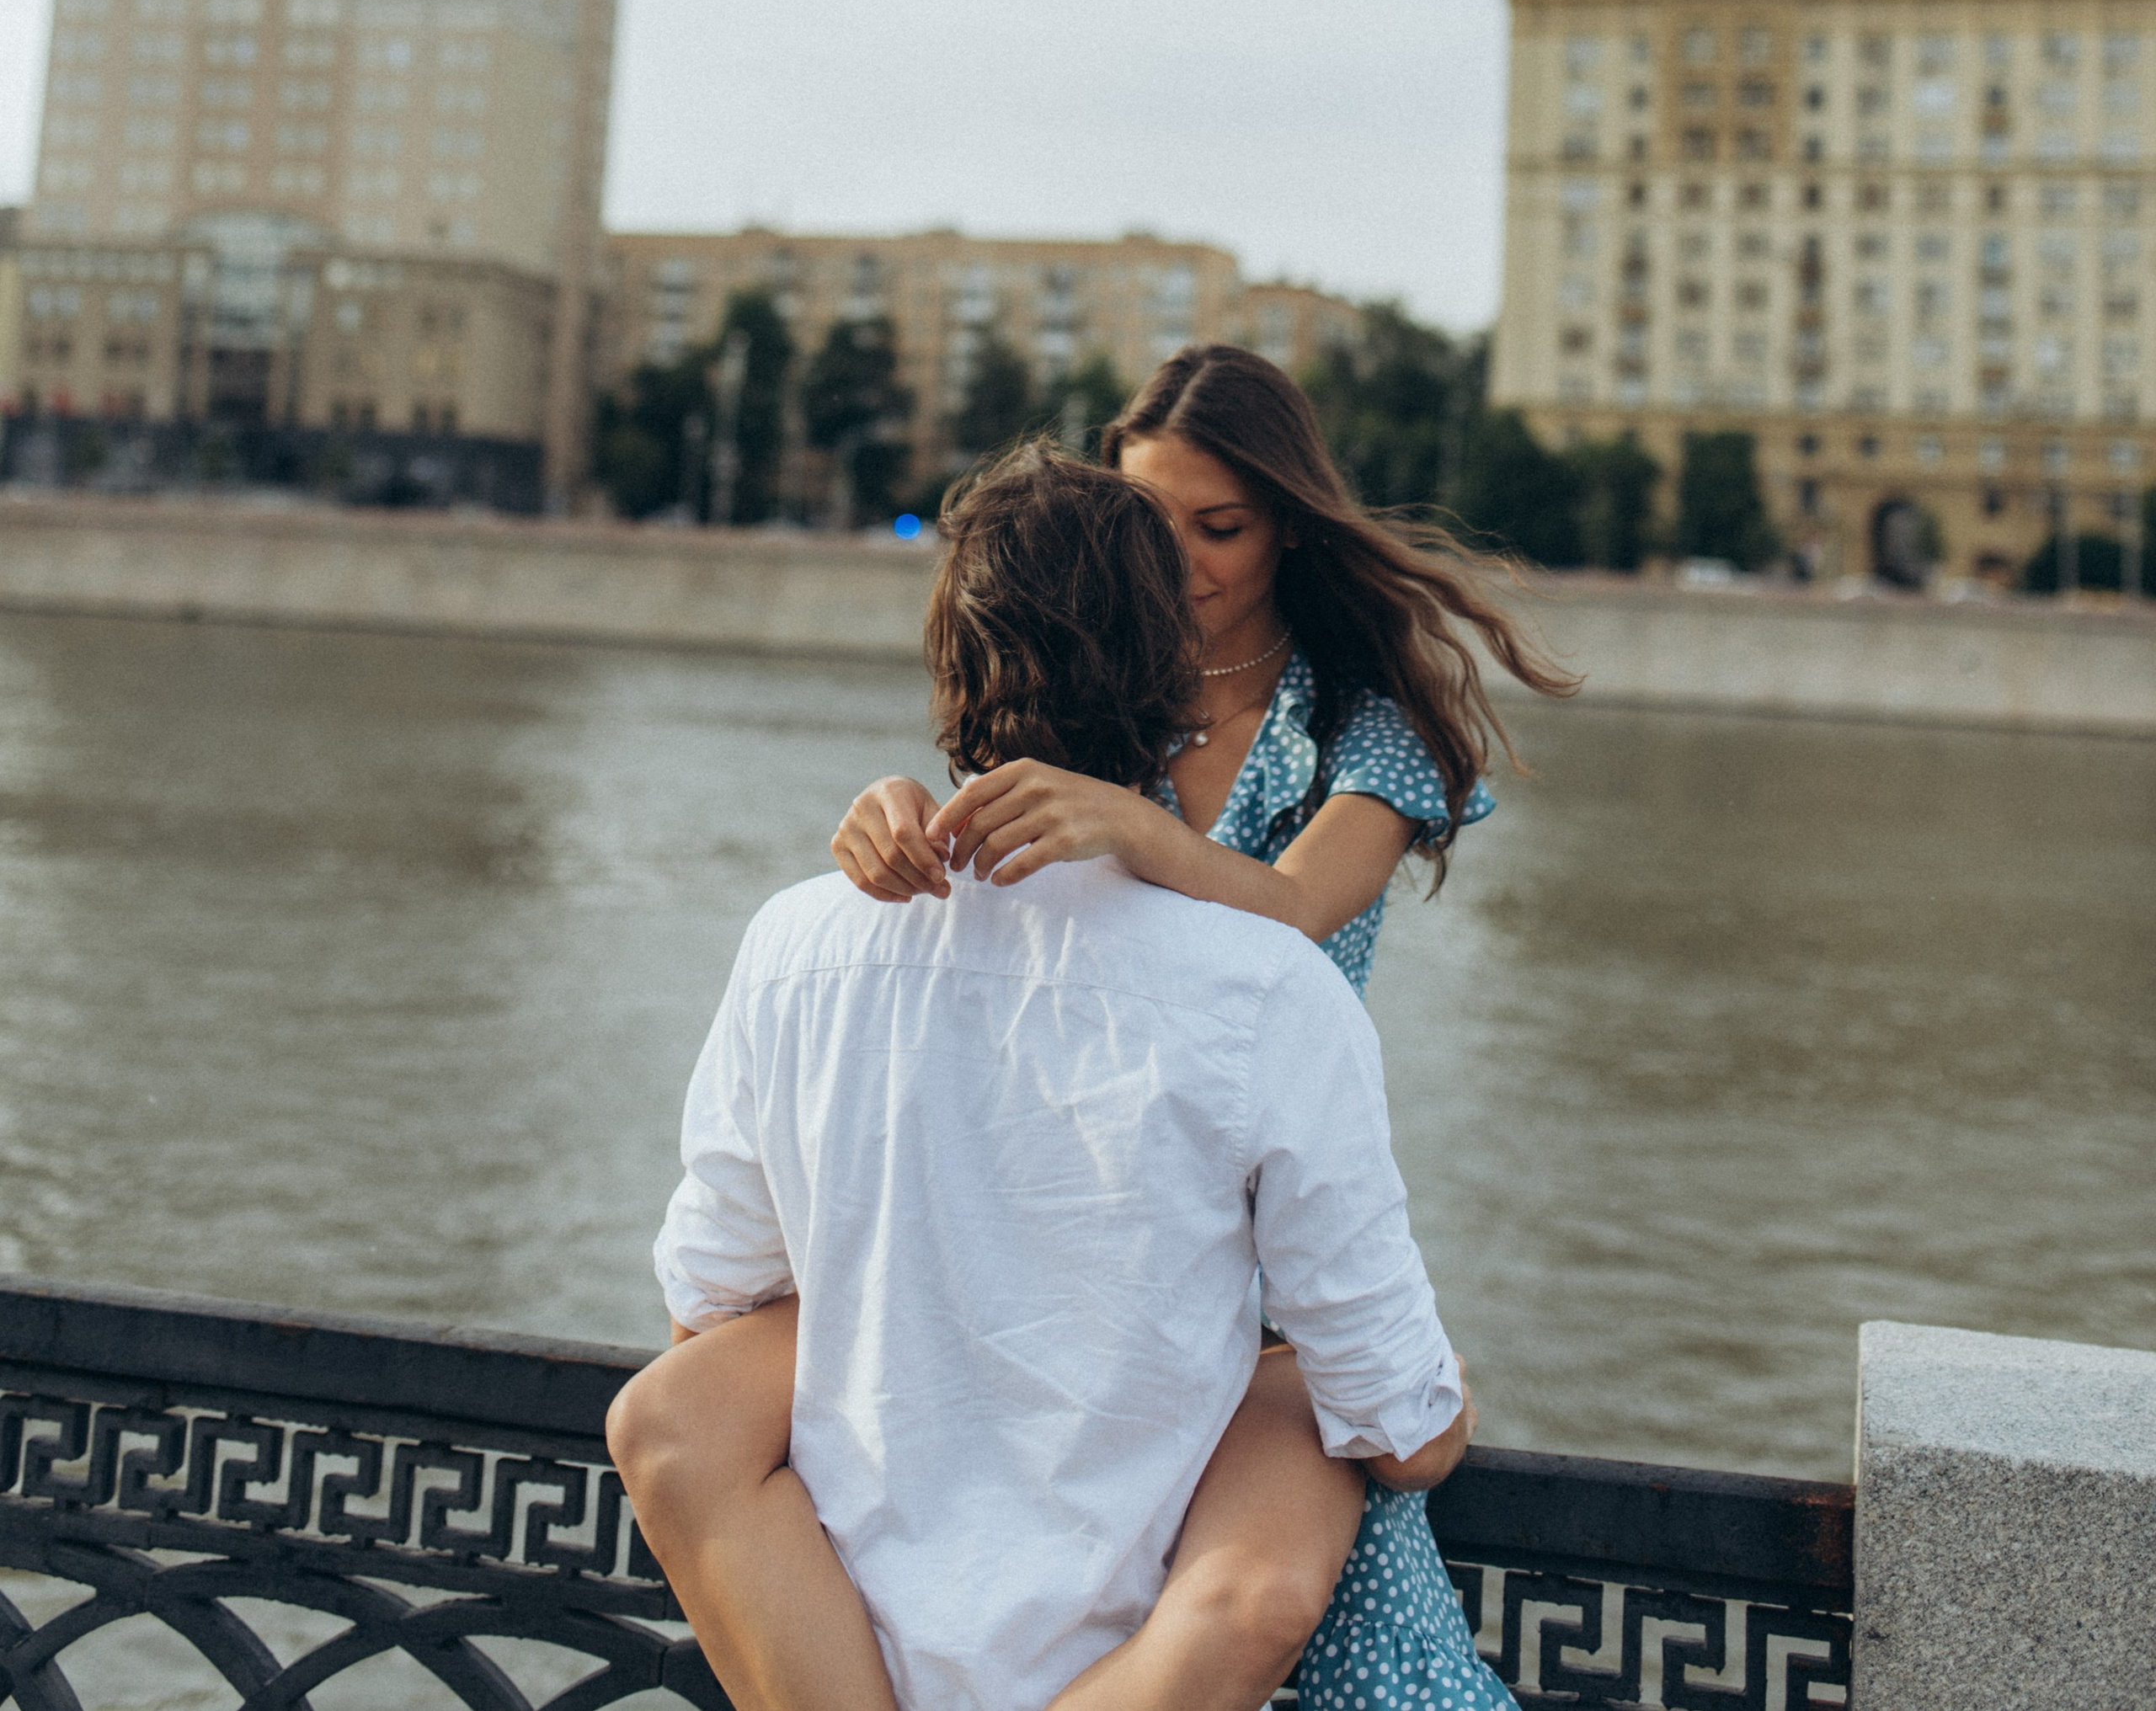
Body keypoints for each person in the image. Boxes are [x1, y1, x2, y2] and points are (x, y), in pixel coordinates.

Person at [607, 440, 1491, 1711]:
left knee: (681, 1402)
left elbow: (708, 1308)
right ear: (1168, 669)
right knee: (1312, 1392)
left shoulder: (797, 944)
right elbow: (1402, 1441)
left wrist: (925, 1295)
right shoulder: (1268, 991)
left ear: (947, 661)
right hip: (1129, 1670)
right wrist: (1427, 1403)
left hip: (837, 1655)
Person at [840, 341, 1578, 1711]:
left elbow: (1299, 911)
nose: (1182, 561)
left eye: (1219, 527)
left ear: (1290, 517)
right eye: (1148, 525)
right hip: (1071, 1233)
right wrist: (892, 811)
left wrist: (1130, 824)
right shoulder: (1098, 680)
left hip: (1265, 1231)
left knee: (1344, 1629)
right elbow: (985, 910)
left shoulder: (1371, 713)